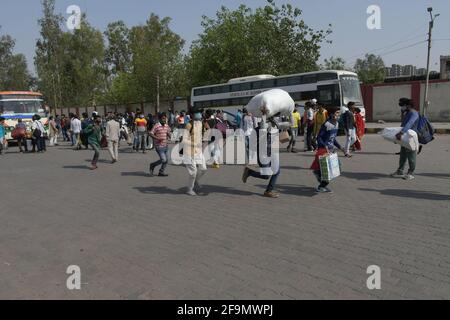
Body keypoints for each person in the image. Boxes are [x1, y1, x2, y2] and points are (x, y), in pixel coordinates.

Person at [242, 116, 280, 198]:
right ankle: (249, 172)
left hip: (272, 153)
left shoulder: (273, 127)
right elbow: (251, 146)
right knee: (266, 176)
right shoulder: (256, 131)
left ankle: (268, 191)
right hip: (263, 155)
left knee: (276, 171)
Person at [311, 108, 345, 193]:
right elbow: (319, 138)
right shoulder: (327, 124)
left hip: (330, 150)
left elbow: (333, 139)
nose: (338, 115)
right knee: (330, 171)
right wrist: (325, 146)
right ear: (332, 114)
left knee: (336, 168)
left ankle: (318, 173)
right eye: (337, 113)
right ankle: (321, 186)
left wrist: (340, 147)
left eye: (339, 113)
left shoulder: (336, 124)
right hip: (323, 150)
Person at [390, 98, 420, 181]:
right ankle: (400, 171)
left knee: (411, 156)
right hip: (405, 136)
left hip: (411, 137)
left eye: (403, 106)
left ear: (408, 105)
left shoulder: (414, 113)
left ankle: (410, 173)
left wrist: (401, 133)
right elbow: (403, 124)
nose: (402, 107)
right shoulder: (407, 113)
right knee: (403, 155)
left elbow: (409, 124)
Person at [184, 111, 208, 196]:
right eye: (197, 113)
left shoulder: (201, 124)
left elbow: (206, 131)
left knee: (203, 169)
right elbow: (184, 140)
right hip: (188, 152)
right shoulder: (188, 125)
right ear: (192, 115)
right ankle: (189, 189)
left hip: (198, 151)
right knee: (193, 172)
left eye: (200, 113)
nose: (199, 115)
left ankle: (196, 180)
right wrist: (194, 143)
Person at [149, 113, 172, 177]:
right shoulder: (156, 125)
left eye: (165, 118)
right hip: (159, 146)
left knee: (167, 160)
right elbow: (150, 133)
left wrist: (171, 136)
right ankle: (153, 165)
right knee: (163, 160)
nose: (164, 120)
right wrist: (157, 138)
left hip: (166, 146)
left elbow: (168, 132)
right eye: (163, 118)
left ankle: (161, 172)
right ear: (159, 119)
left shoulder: (166, 126)